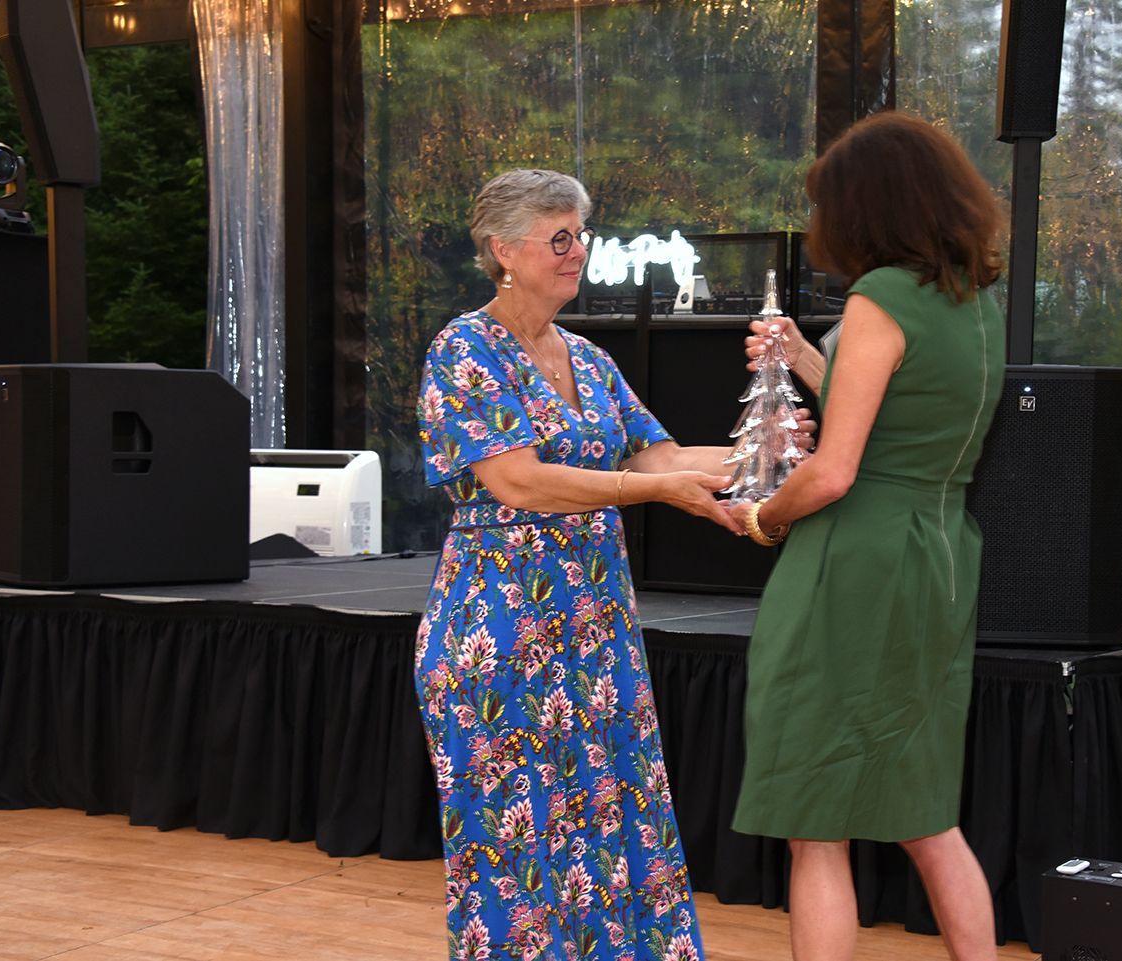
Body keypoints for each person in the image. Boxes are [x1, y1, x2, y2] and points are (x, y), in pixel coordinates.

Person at [414, 169, 745, 961]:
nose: (578, 251)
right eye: (559, 236)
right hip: (500, 635)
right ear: (504, 250)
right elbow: (518, 478)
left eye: (581, 233)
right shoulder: (464, 347)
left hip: (593, 635)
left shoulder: (590, 359)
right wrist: (656, 489)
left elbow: (663, 451)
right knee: (516, 846)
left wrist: (765, 453)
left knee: (612, 821)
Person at [727, 111, 1007, 961]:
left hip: (857, 559)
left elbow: (837, 468)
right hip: (939, 550)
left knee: (817, 823)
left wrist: (759, 516)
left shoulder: (880, 295)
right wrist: (808, 356)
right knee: (928, 813)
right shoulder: (968, 302)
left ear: (866, 207)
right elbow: (894, 408)